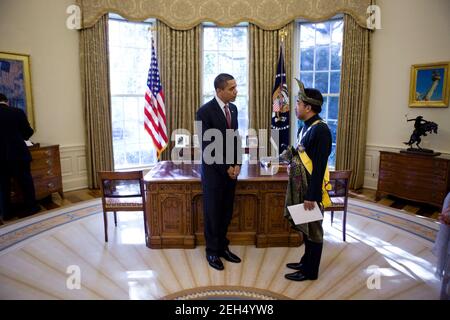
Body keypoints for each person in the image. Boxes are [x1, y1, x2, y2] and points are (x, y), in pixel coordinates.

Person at [281, 80, 332, 281]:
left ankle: (310, 272)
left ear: (308, 107)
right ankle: (305, 261)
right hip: (301, 186)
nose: (295, 107)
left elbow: (319, 166)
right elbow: (301, 152)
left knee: (314, 230)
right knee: (306, 228)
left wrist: (312, 196)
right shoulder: (306, 126)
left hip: (311, 189)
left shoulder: (321, 130)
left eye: (298, 104)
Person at [196, 73, 242, 271]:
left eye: (235, 87)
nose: (236, 91)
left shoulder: (233, 108)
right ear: (219, 91)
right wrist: (226, 168)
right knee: (213, 213)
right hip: (214, 172)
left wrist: (237, 164)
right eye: (231, 88)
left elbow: (235, 139)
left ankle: (223, 247)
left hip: (231, 172)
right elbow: (208, 146)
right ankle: (212, 251)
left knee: (226, 211)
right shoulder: (204, 112)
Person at [0, 93, 39, 222]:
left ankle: (6, 213)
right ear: (7, 101)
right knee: (26, 182)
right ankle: (31, 207)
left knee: (3, 186)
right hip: (18, 154)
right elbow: (28, 133)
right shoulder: (17, 112)